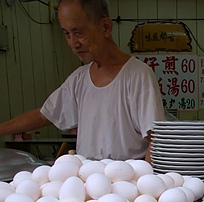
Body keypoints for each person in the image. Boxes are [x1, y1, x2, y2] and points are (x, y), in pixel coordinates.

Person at [0, 0, 164, 162]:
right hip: (87, 178)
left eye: (79, 33)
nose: (73, 43)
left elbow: (155, 140)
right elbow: (43, 115)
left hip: (126, 179)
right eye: (67, 34)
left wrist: (143, 180)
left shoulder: (138, 75)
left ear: (105, 27)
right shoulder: (79, 79)